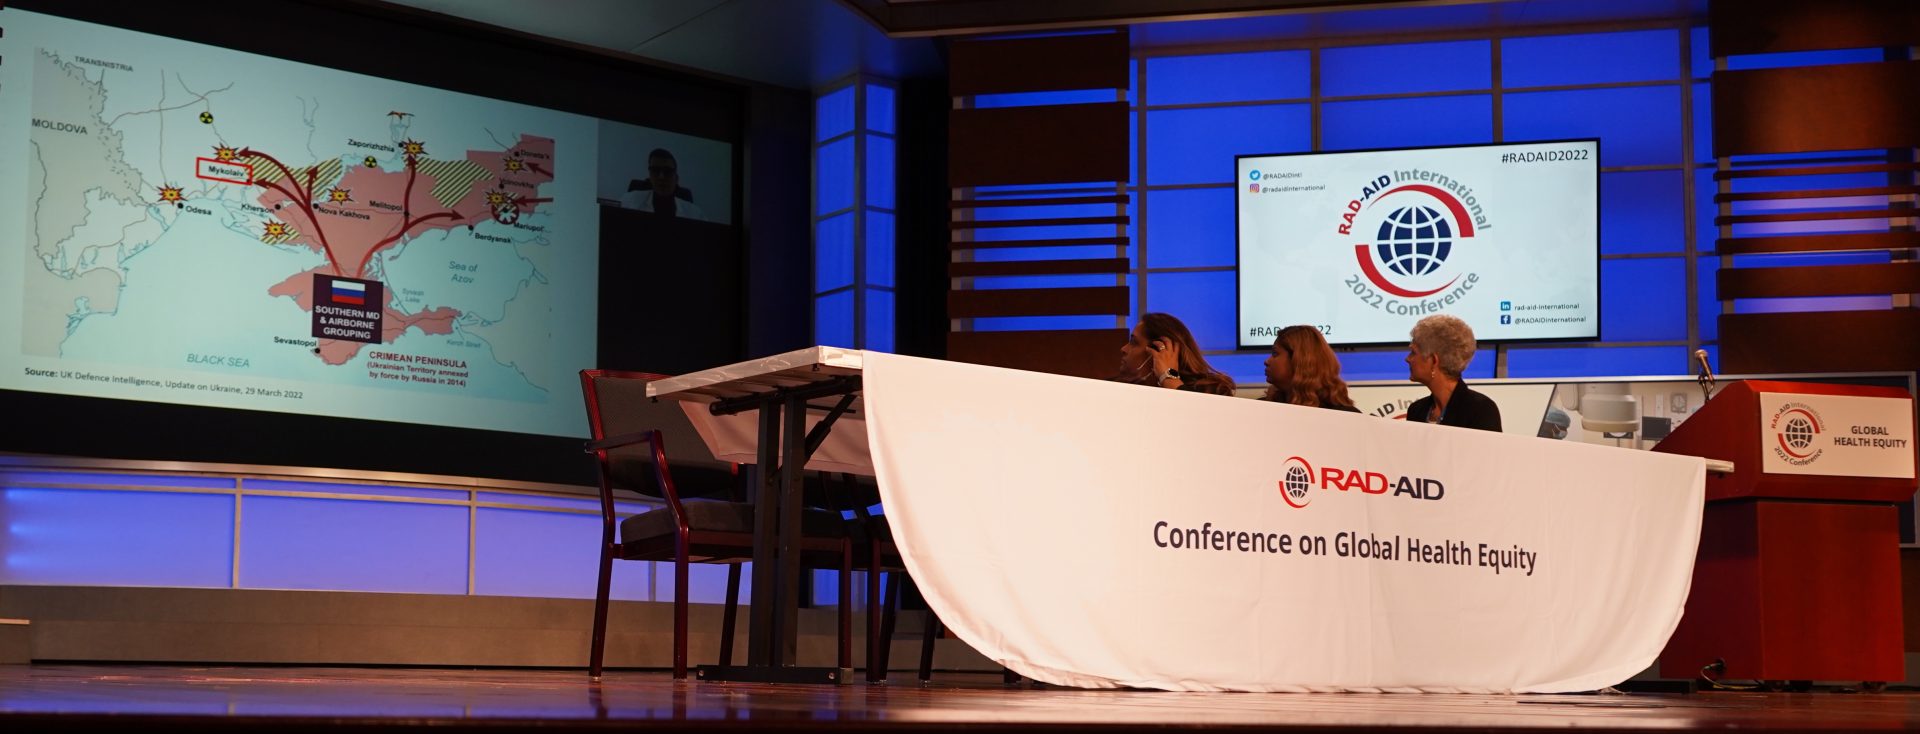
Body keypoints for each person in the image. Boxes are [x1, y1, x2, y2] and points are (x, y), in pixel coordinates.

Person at [1404, 314, 1501, 431]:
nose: (1407, 359)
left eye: (1413, 352)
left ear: (1434, 360)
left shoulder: (1481, 410)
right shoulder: (1416, 411)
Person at [1116, 312, 1235, 396]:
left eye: (1134, 342)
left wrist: (1168, 378)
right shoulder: (1119, 391)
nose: (1123, 349)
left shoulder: (1212, 392)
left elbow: (1197, 418)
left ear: (1159, 351)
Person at [1262, 325, 1360, 412]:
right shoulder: (1260, 409)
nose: (1266, 361)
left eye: (1275, 354)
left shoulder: (1349, 418)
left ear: (1299, 360)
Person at [620, 148, 708, 221]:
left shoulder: (695, 213)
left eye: (667, 171)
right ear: (650, 176)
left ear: (676, 178)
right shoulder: (629, 201)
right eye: (655, 170)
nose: (661, 177)